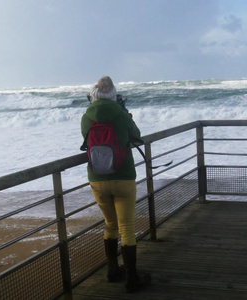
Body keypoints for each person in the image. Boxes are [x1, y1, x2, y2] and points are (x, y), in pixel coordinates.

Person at [81, 76, 150, 293]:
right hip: (123, 176)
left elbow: (86, 138)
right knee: (127, 227)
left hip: (97, 179)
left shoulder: (86, 116)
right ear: (113, 95)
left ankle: (113, 270)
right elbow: (136, 136)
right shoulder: (120, 115)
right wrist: (125, 113)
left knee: (110, 224)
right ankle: (132, 278)